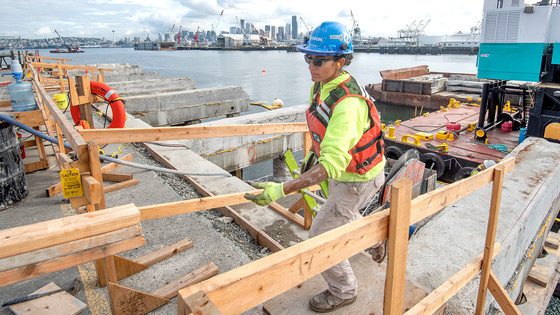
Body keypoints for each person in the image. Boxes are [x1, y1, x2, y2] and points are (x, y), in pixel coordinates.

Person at [245, 21, 386, 313]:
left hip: (357, 178)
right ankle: (373, 242)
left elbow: (332, 164)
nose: (311, 65)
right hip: (352, 172)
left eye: (319, 60)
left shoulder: (348, 105)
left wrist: (280, 189)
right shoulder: (323, 85)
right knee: (343, 214)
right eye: (308, 57)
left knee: (321, 236)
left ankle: (344, 290)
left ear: (341, 61)